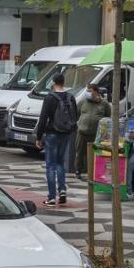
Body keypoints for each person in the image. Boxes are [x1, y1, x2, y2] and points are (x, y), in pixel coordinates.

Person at [34, 72, 78, 206]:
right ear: (63, 83)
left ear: (53, 83)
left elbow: (43, 119)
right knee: (60, 163)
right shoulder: (70, 97)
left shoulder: (49, 98)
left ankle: (52, 197)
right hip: (65, 134)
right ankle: (63, 191)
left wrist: (38, 137)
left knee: (50, 165)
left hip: (52, 134)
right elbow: (75, 116)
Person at [75, 83, 107, 180]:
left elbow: (108, 117)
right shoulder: (83, 102)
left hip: (95, 134)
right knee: (79, 152)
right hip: (82, 132)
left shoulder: (104, 104)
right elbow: (77, 113)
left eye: (90, 91)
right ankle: (78, 170)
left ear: (96, 92)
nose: (88, 93)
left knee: (94, 153)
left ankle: (93, 172)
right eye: (87, 91)